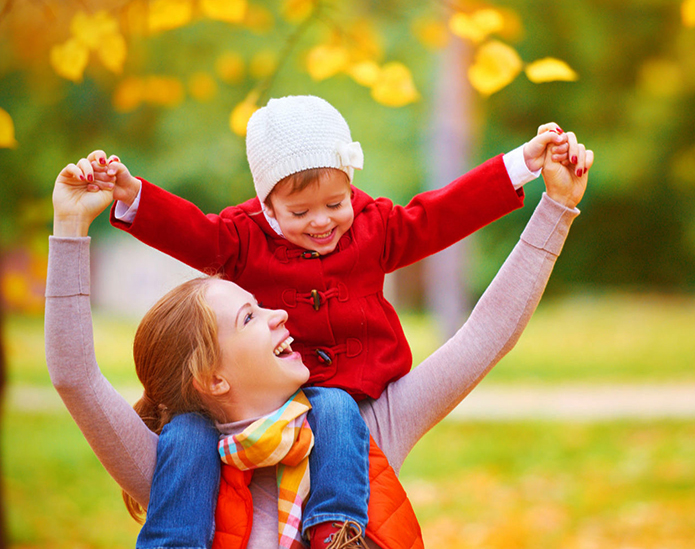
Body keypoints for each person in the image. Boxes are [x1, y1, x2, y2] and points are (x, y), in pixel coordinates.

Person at [46, 127, 591, 549]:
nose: (281, 316)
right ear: (212, 377)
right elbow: (74, 376)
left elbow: (486, 335)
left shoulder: (361, 431)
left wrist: (557, 208)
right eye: (250, 318)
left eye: (262, 305)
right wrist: (69, 228)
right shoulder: (174, 468)